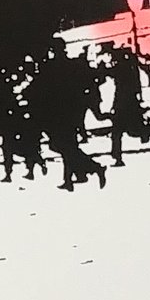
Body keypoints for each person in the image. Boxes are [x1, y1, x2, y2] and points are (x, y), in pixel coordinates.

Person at [33, 44, 107, 191]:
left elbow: (42, 88)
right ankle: (75, 176)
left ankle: (94, 168)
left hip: (59, 112)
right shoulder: (72, 65)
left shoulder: (52, 67)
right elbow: (89, 80)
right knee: (68, 146)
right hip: (71, 111)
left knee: (63, 146)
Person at [105, 44, 146, 166]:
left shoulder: (121, 68)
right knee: (128, 130)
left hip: (123, 103)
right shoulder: (130, 67)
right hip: (129, 102)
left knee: (119, 132)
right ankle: (117, 156)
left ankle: (117, 156)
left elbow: (118, 87)